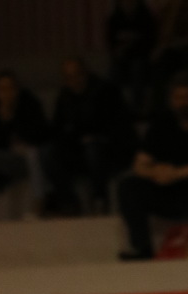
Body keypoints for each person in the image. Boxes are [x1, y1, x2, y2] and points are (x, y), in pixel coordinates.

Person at [118, 71, 188, 260]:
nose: (184, 103)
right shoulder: (162, 123)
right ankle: (142, 248)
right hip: (168, 190)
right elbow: (139, 165)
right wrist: (154, 172)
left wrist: (177, 173)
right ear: (171, 101)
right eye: (179, 98)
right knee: (128, 186)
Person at [40, 56, 134, 215]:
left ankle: (100, 199)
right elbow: (58, 131)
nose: (74, 80)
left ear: (86, 73)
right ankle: (69, 202)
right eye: (69, 77)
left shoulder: (106, 91)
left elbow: (120, 127)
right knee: (47, 152)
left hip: (108, 151)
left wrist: (97, 137)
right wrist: (74, 140)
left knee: (92, 148)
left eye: (77, 74)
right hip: (78, 152)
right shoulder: (64, 97)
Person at [0, 70, 48, 221]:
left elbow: (40, 134)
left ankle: (39, 204)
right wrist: (4, 119)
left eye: (9, 88)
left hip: (31, 157)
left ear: (16, 89)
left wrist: (17, 124)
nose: (6, 93)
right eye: (2, 89)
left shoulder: (29, 103)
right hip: (10, 160)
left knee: (32, 153)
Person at [106, 0, 157, 115]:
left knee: (137, 69)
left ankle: (137, 109)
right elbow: (112, 44)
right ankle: (113, 108)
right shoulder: (115, 19)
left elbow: (150, 42)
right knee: (113, 73)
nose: (128, 3)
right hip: (121, 62)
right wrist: (119, 50)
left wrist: (131, 44)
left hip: (141, 60)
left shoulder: (145, 17)